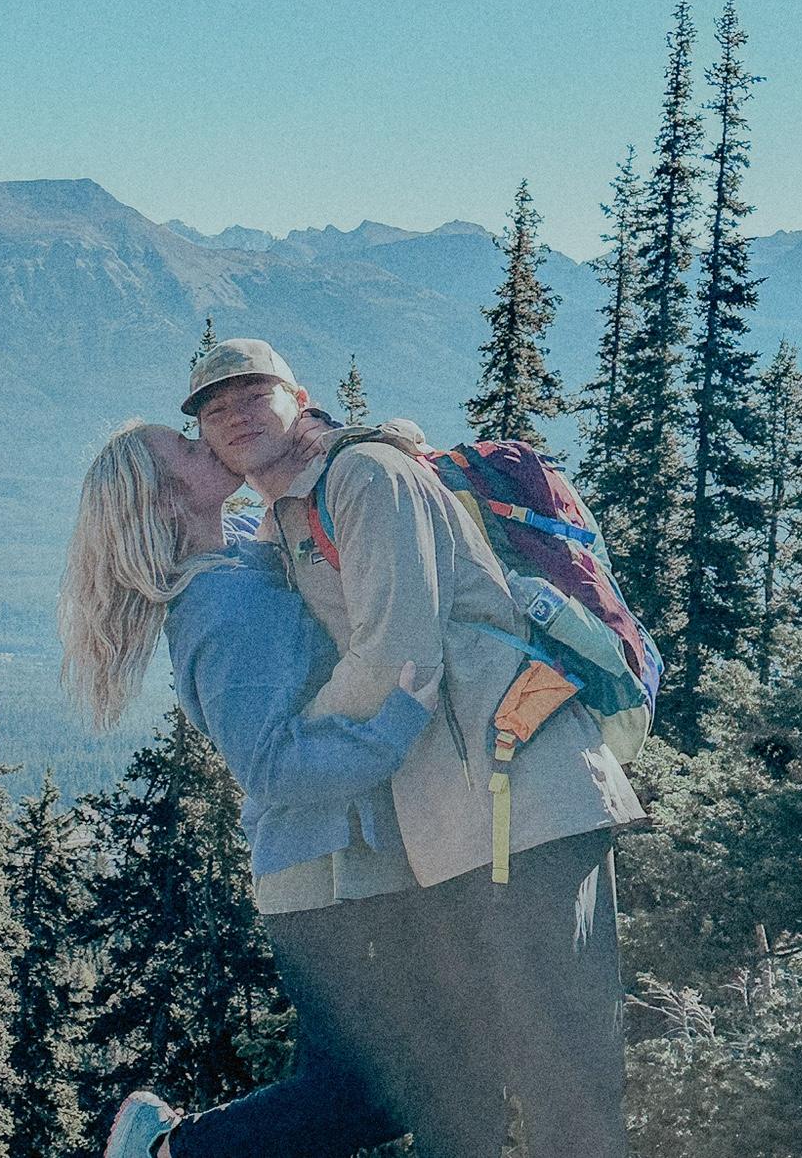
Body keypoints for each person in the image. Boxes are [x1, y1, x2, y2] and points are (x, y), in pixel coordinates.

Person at [185, 339, 647, 1158]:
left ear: (300, 396)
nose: (235, 415)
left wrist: (285, 747)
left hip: (525, 794)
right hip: (457, 822)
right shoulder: (294, 511)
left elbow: (396, 655)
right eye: (215, 409)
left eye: (253, 395)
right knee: (460, 1091)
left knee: (564, 1079)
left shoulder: (364, 478)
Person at [59, 420, 500, 1158]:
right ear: (168, 501)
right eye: (190, 451)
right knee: (379, 1092)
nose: (211, 444)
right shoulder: (215, 612)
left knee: (347, 1093)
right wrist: (398, 722)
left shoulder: (233, 552)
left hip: (347, 862)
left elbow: (304, 534)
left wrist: (345, 447)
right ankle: (169, 1151)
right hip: (327, 873)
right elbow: (269, 764)